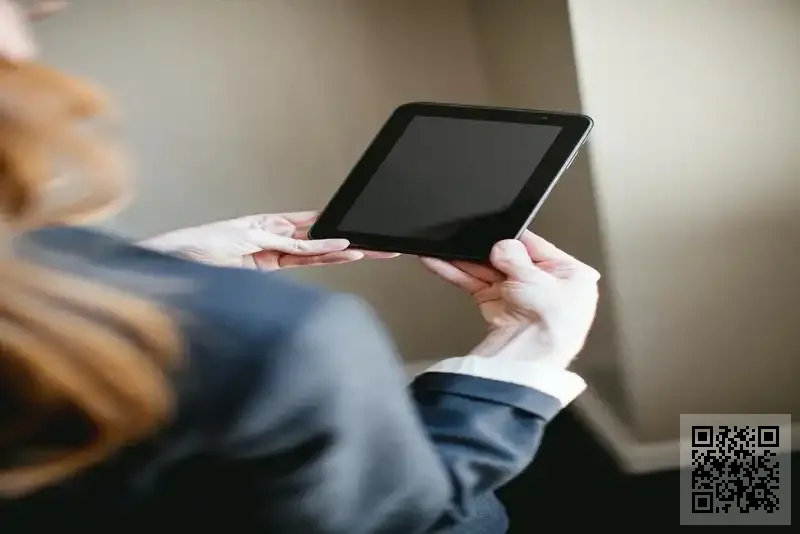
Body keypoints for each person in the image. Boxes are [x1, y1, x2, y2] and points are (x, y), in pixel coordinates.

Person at [0, 1, 601, 532]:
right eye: (21, 12)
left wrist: (151, 271)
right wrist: (528, 349)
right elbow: (407, 519)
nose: (24, 49)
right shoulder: (283, 339)